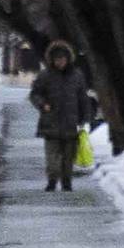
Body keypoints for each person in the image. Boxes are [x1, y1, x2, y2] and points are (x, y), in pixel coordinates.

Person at [28, 40, 92, 191]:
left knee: (68, 157)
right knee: (52, 157)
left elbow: (83, 98)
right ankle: (52, 180)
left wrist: (85, 118)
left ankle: (66, 182)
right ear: (52, 59)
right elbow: (35, 94)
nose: (60, 62)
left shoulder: (77, 76)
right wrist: (43, 104)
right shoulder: (45, 76)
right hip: (51, 122)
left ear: (68, 59)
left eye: (63, 59)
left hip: (71, 123)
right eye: (57, 59)